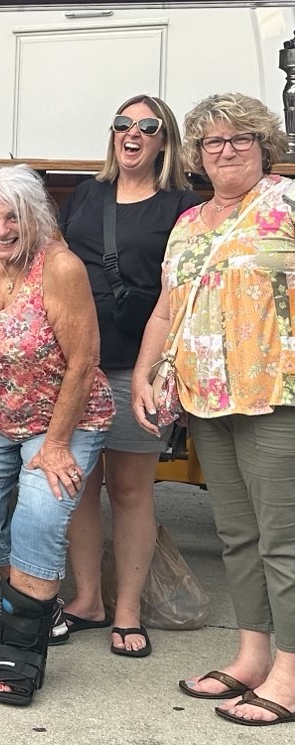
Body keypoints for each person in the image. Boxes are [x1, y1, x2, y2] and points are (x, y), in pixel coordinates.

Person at [143, 93, 295, 726]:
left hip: (276, 396)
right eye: (212, 142)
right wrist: (148, 374)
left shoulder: (286, 206)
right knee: (239, 537)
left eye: (240, 139)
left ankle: (291, 671)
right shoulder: (190, 221)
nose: (225, 150)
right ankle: (252, 655)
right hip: (207, 398)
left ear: (265, 146)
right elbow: (166, 308)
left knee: (284, 541)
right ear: (198, 155)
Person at [0, 165, 113, 705]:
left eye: (13, 216)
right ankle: (35, 601)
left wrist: (58, 442)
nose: (1, 229)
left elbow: (84, 359)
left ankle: (18, 653)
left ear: (36, 217)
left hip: (63, 419)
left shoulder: (61, 267)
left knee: (40, 517)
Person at [59, 95, 200, 655]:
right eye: (123, 124)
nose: (132, 133)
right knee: (81, 487)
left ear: (164, 140)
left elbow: (178, 296)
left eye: (147, 126)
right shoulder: (88, 194)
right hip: (75, 365)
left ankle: (127, 609)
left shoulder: (182, 206)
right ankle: (88, 598)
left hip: (137, 367)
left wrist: (162, 372)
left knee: (131, 489)